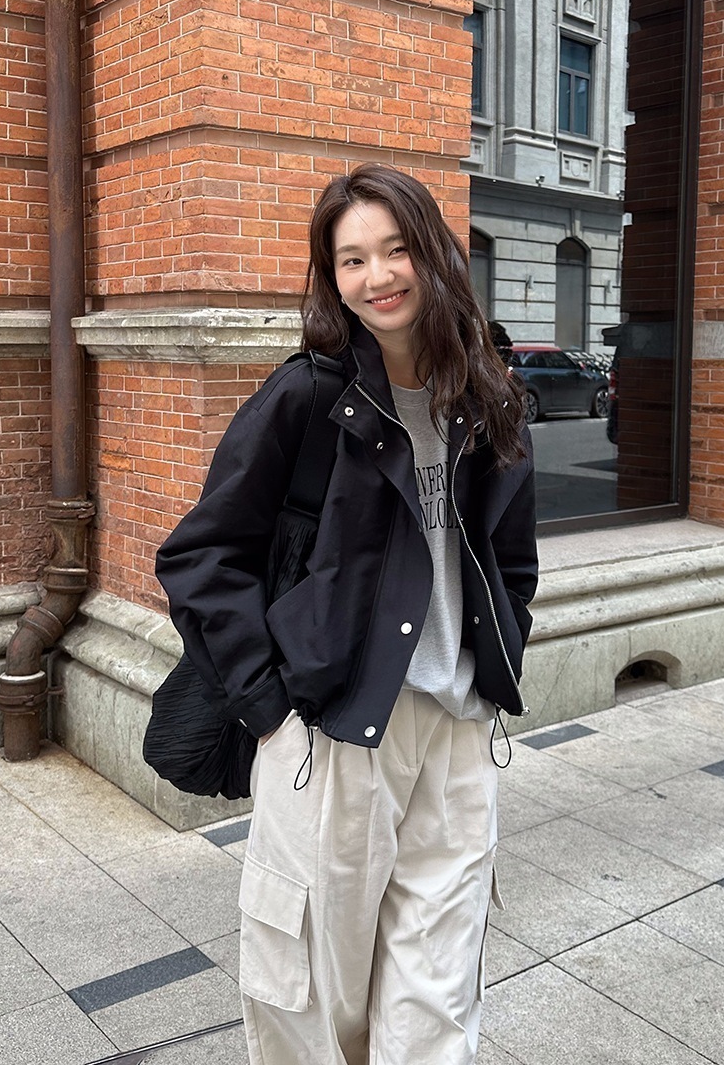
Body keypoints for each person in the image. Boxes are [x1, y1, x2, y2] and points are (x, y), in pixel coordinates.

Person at [155, 163, 538, 1065]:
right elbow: (201, 556)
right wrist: (270, 712)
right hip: (331, 736)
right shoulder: (310, 396)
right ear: (332, 278)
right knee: (314, 997)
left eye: (396, 250)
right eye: (352, 259)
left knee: (439, 984)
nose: (378, 277)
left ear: (435, 255)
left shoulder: (487, 394)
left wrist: (501, 648)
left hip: (459, 731)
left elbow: (512, 557)